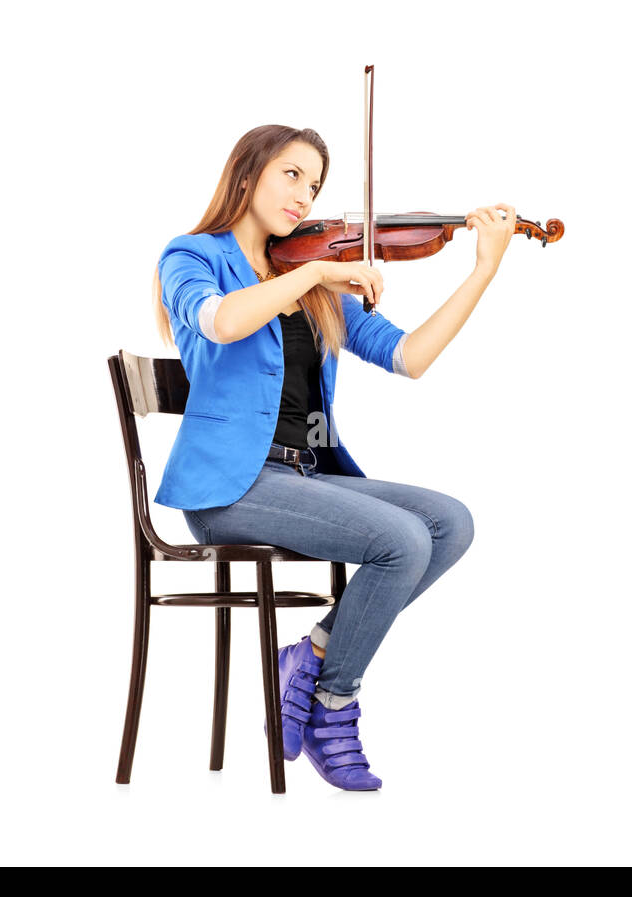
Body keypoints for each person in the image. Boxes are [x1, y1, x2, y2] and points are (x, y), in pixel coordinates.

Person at [152, 124, 515, 791]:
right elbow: (221, 323)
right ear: (246, 174)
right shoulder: (193, 257)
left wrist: (482, 270)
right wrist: (320, 269)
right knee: (400, 540)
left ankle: (311, 658)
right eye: (290, 174)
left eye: (314, 183)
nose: (305, 195)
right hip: (227, 491)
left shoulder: (313, 285)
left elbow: (411, 357)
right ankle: (335, 702)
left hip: (302, 475)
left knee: (448, 523)